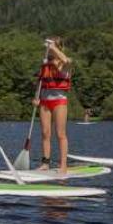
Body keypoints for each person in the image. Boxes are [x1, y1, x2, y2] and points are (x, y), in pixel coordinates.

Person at [34, 37, 72, 173]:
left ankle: (63, 165)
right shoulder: (45, 62)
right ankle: (45, 163)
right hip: (44, 101)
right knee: (45, 133)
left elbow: (66, 60)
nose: (49, 50)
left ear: (58, 48)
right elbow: (40, 82)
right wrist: (36, 97)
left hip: (59, 101)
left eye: (52, 48)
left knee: (60, 133)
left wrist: (53, 47)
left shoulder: (66, 63)